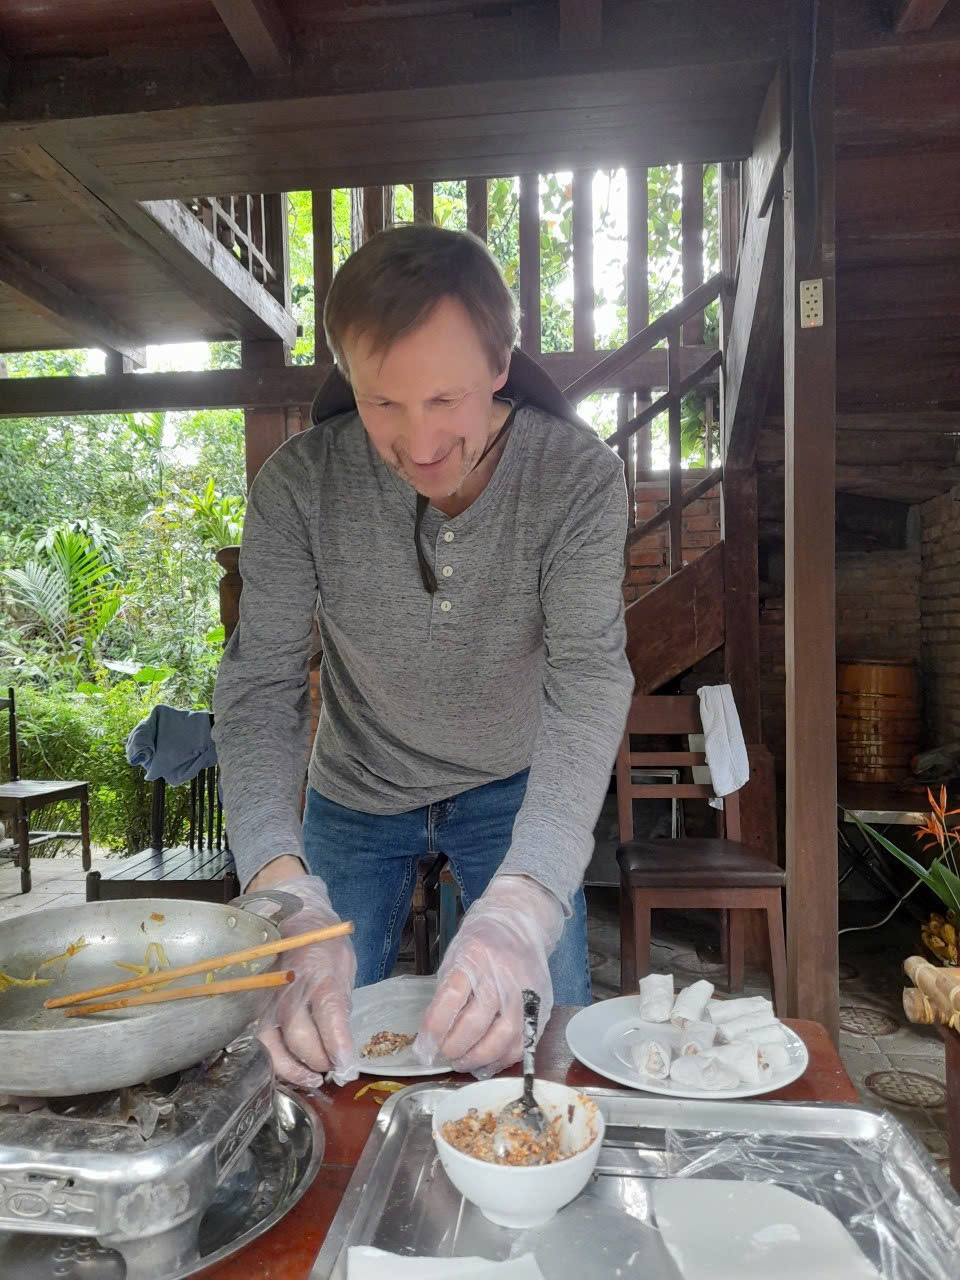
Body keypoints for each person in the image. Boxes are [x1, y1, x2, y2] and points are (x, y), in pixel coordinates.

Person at [213, 224, 634, 1088]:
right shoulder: (298, 484)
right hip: (356, 789)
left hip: (511, 787)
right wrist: (279, 888)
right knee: (310, 1054)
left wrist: (527, 902)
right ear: (347, 382)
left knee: (535, 1051)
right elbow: (260, 689)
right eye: (383, 404)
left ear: (500, 365)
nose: (420, 443)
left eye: (445, 400)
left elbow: (588, 682)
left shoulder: (579, 479)